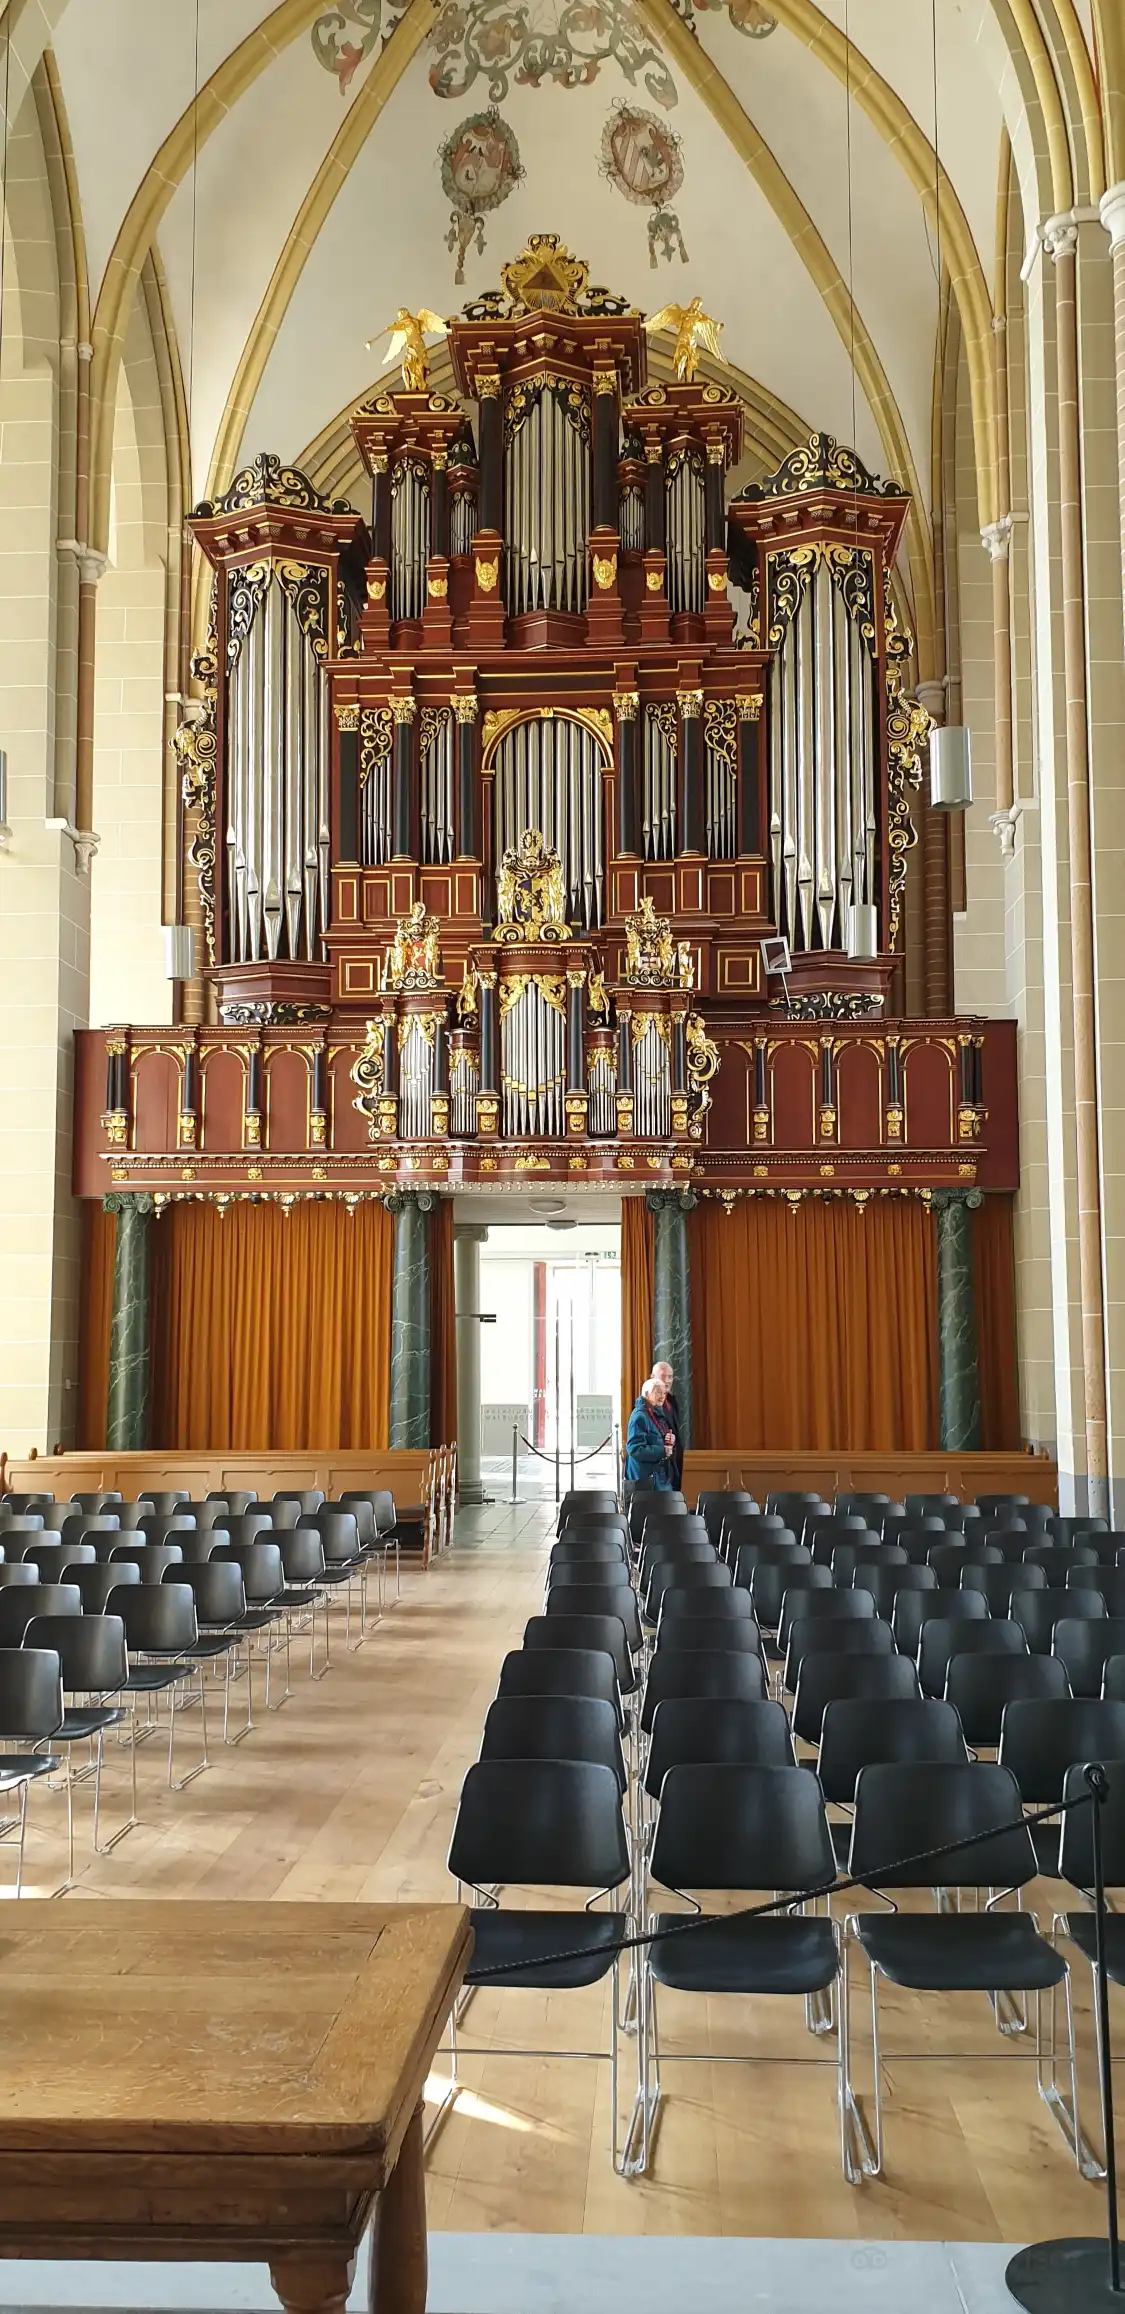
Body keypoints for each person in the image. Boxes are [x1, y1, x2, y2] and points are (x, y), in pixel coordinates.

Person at [625, 1377, 676, 1490]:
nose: (662, 1396)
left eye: (664, 1392)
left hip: (660, 1477)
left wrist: (669, 1439)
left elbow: (656, 1438)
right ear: (647, 1393)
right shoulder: (639, 1416)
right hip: (645, 1481)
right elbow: (634, 1449)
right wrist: (662, 1451)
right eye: (658, 1392)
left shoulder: (657, 1413)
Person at [650, 1360, 683, 1491]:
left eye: (670, 1376)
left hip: (673, 1462)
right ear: (653, 1377)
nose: (668, 1380)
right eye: (664, 1376)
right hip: (657, 1466)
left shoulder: (672, 1401)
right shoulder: (646, 1406)